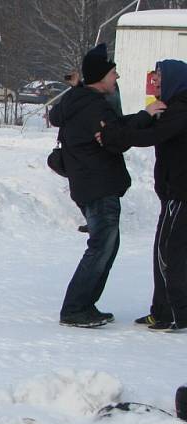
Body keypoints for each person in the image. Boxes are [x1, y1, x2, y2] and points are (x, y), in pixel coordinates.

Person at [50, 43, 162, 328]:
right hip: (97, 186)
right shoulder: (92, 106)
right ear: (100, 77)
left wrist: (143, 116)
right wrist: (148, 116)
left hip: (91, 184)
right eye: (114, 73)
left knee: (106, 247)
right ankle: (75, 308)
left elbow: (115, 129)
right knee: (101, 246)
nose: (117, 78)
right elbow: (118, 138)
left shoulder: (82, 101)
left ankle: (83, 305)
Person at [101, 60, 187, 332]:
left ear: (175, 79)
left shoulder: (181, 110)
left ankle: (175, 314)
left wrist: (111, 136)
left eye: (160, 76)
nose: (156, 81)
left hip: (181, 194)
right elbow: (147, 129)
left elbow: (149, 136)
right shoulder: (170, 106)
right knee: (161, 251)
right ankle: (161, 311)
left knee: (169, 254)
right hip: (172, 193)